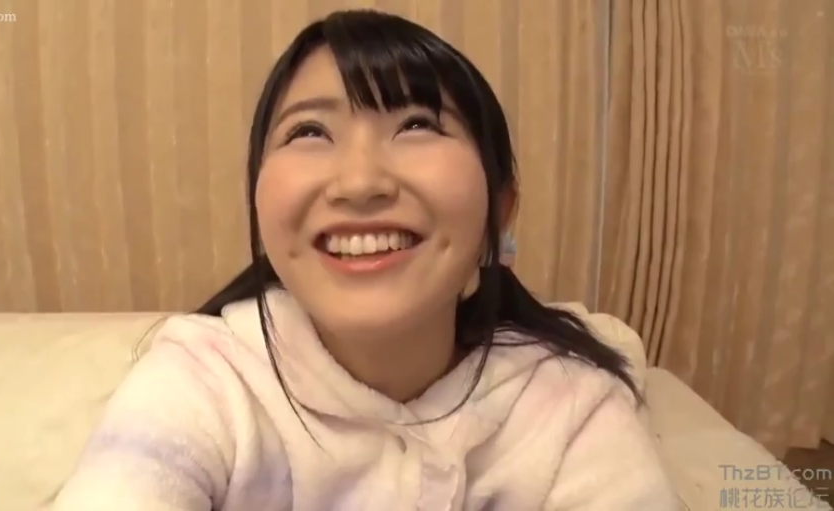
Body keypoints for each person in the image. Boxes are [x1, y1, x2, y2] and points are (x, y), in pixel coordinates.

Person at [53, 9, 678, 511]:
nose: (358, 183)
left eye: (416, 126)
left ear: (500, 208)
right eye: (309, 132)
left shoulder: (569, 409)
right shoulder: (202, 385)